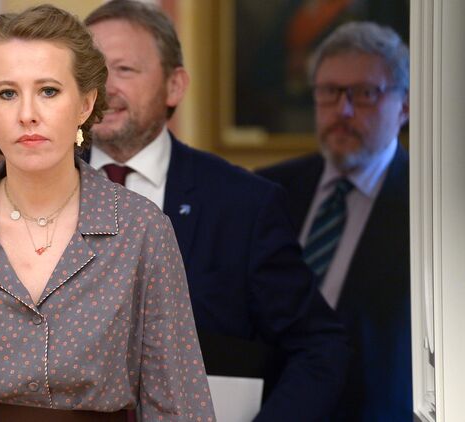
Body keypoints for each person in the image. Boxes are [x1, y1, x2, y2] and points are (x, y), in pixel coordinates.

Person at [0, 5, 215, 421]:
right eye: (7, 93)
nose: (27, 113)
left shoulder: (141, 231)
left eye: (48, 91)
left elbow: (178, 404)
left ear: (85, 103)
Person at [84, 1, 349, 420]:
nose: (103, 87)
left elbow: (318, 348)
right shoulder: (29, 190)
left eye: (124, 70)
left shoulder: (242, 205)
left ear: (174, 86)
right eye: (90, 70)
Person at [257, 22, 411, 420]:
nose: (342, 111)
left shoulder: (427, 206)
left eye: (365, 94)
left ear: (405, 106)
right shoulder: (269, 190)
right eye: (329, 92)